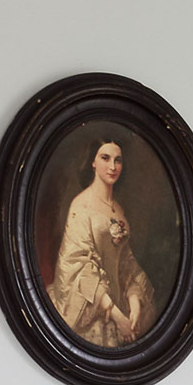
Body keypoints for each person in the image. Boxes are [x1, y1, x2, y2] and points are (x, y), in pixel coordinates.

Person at [48, 138, 157, 348]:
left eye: (118, 160)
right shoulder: (82, 205)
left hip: (120, 305)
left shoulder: (118, 209)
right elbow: (77, 266)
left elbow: (126, 263)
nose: (113, 166)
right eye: (105, 158)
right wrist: (117, 316)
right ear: (93, 162)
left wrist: (134, 305)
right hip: (93, 309)